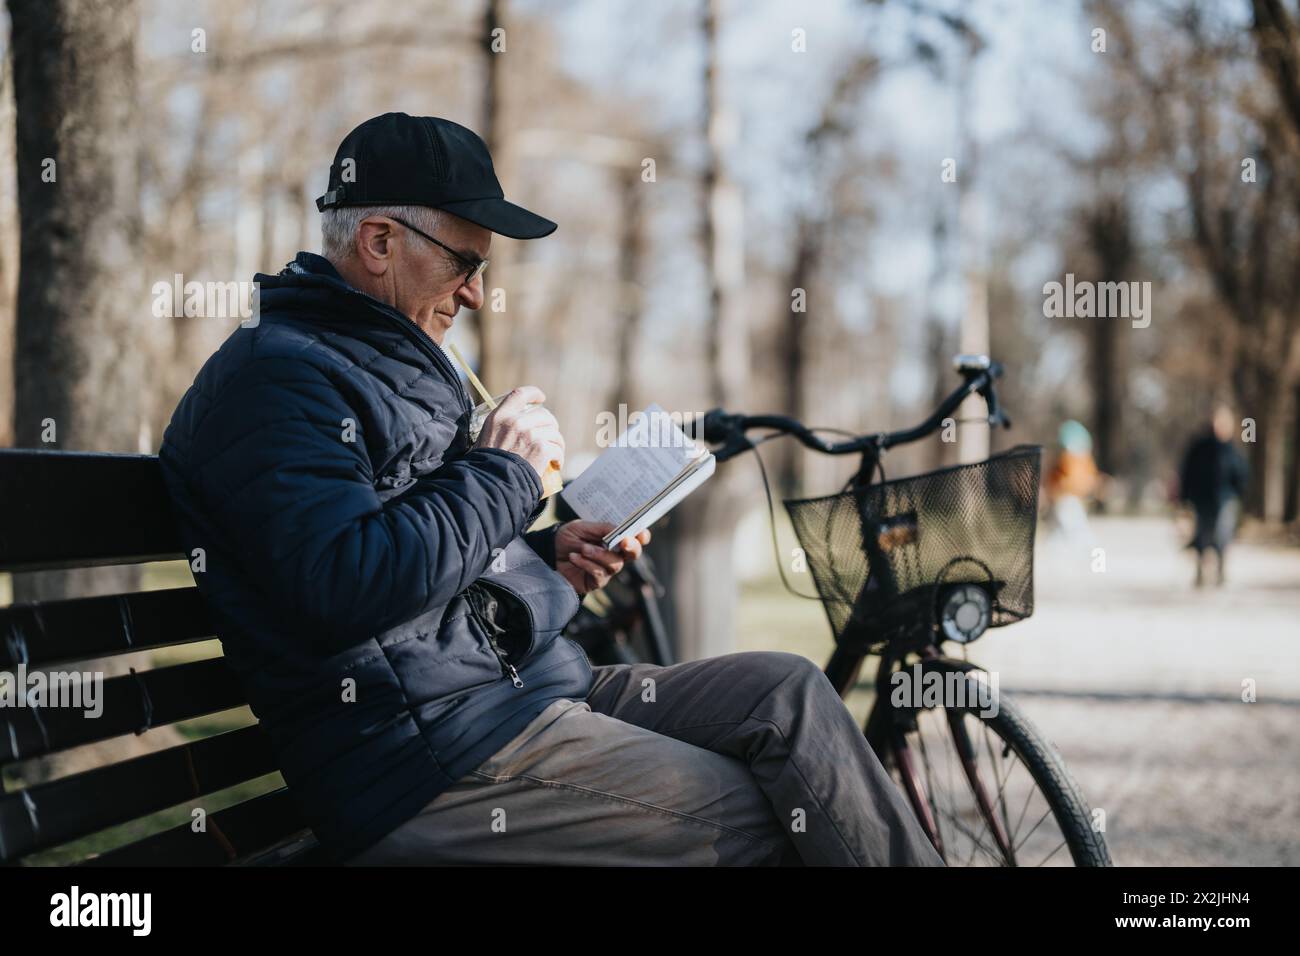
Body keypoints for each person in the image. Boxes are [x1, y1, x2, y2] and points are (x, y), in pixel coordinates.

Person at [160, 112, 942, 867]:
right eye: (465, 261)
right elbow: (346, 584)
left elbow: (431, 572)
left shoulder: (375, 360)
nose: (474, 293)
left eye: (481, 269)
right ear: (379, 241)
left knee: (786, 694)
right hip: (423, 761)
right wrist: (505, 473)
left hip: (522, 697)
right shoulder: (278, 379)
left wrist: (547, 559)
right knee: (766, 813)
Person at [1178, 405, 1248, 587]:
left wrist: (1240, 493)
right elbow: (1187, 472)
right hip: (1202, 499)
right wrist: (1184, 498)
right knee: (1203, 534)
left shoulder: (1232, 449)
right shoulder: (1199, 447)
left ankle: (1221, 570)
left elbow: (1241, 475)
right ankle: (1200, 570)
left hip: (1225, 499)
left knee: (1222, 533)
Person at [1045, 420, 1101, 546]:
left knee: (1072, 529)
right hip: (1065, 500)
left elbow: (1085, 480)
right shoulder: (1067, 459)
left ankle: (1086, 547)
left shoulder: (1079, 459)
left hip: (1069, 500)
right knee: (1066, 529)